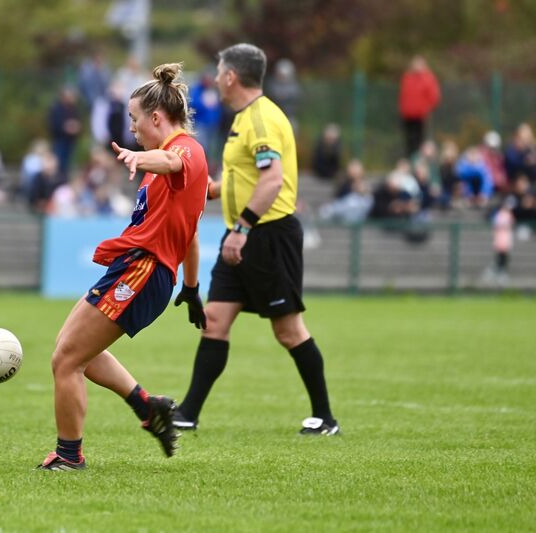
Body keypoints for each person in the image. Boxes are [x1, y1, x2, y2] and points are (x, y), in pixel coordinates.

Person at [37, 63, 209, 471]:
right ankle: (149, 407)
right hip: (138, 268)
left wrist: (140, 156)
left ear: (155, 118)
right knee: (72, 352)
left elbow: (172, 161)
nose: (131, 128)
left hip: (143, 272)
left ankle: (69, 456)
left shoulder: (186, 149)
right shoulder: (163, 167)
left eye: (134, 120)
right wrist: (190, 286)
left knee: (67, 361)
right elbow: (190, 233)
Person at [171, 43, 340, 436]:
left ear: (231, 76)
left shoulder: (262, 119)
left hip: (266, 235)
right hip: (243, 234)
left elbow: (272, 179)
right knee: (214, 321)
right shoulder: (245, 118)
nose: (214, 79)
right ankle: (188, 413)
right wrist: (206, 189)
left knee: (288, 330)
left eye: (218, 72)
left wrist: (243, 229)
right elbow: (243, 177)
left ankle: (325, 418)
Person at [398, 55, 440, 157]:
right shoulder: (407, 77)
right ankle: (410, 159)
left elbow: (434, 96)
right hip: (407, 115)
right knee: (409, 140)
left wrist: (427, 109)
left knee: (420, 140)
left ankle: (419, 161)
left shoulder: (428, 78)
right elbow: (403, 95)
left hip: (421, 115)